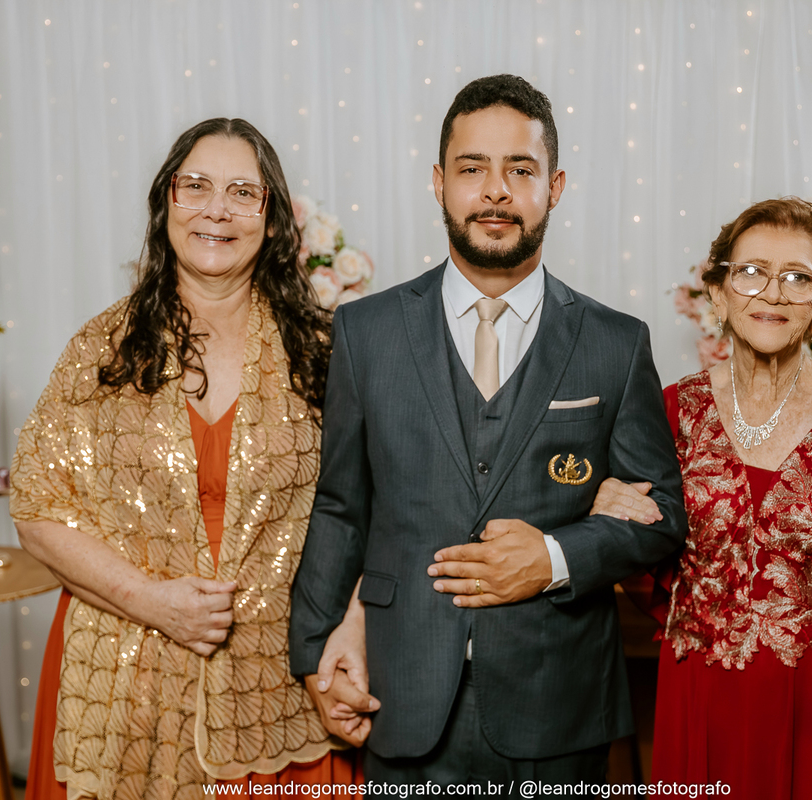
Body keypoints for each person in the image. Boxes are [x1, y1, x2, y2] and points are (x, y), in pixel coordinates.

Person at [288, 74, 688, 786]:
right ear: (439, 182)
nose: (496, 191)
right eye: (473, 169)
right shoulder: (365, 333)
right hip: (400, 696)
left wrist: (555, 556)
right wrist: (316, 651)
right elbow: (341, 507)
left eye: (520, 170)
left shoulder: (616, 343)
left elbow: (661, 517)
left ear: (555, 187)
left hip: (559, 705)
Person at [11, 118, 373, 799]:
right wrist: (152, 601)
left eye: (243, 192)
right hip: (123, 685)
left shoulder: (328, 353)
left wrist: (355, 629)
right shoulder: (100, 350)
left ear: (273, 219)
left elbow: (384, 509)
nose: (217, 209)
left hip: (284, 691)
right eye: (197, 186)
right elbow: (36, 509)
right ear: (167, 202)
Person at [593, 197, 812, 800]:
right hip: (702, 698)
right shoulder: (671, 411)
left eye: (797, 278)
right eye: (750, 272)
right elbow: (634, 540)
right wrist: (606, 504)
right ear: (718, 294)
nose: (772, 293)